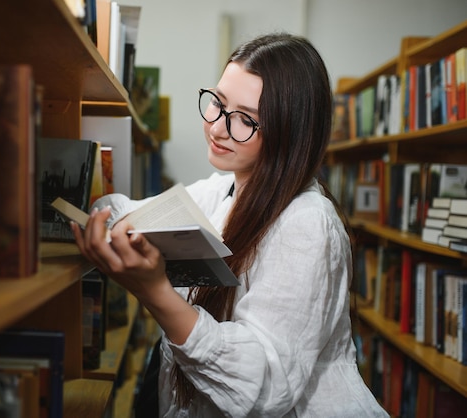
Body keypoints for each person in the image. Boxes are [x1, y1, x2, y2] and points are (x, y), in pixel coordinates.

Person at [71, 33, 389, 417]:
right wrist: (96, 211)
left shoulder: (308, 224)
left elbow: (267, 389)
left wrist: (155, 292)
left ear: (291, 133)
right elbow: (126, 209)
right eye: (218, 104)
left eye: (245, 120)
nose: (218, 128)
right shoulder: (223, 188)